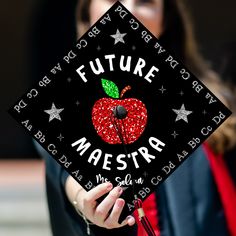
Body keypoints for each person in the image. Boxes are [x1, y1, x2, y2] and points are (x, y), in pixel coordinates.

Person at [33, 0, 236, 235]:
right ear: (87, 14)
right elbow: (65, 169)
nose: (127, 11)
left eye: (145, 1)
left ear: (166, 19)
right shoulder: (63, 106)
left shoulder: (213, 103)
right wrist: (86, 200)